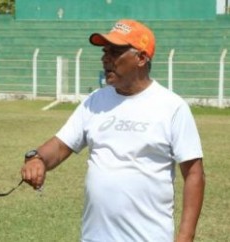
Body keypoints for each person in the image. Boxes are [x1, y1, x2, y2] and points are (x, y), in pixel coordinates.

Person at [21, 19, 205, 242]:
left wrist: (185, 237)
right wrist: (37, 159)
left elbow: (194, 174)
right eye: (105, 51)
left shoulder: (172, 107)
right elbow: (61, 145)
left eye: (115, 51)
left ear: (141, 58)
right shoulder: (95, 101)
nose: (105, 58)